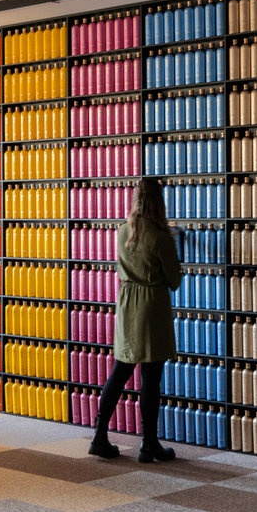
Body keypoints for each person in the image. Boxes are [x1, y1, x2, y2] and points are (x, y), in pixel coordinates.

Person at [91, 176, 181, 463]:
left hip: (128, 303)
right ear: (159, 202)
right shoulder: (161, 237)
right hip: (151, 306)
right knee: (151, 378)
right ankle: (149, 443)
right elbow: (174, 280)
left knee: (120, 370)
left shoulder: (122, 230)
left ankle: (99, 436)